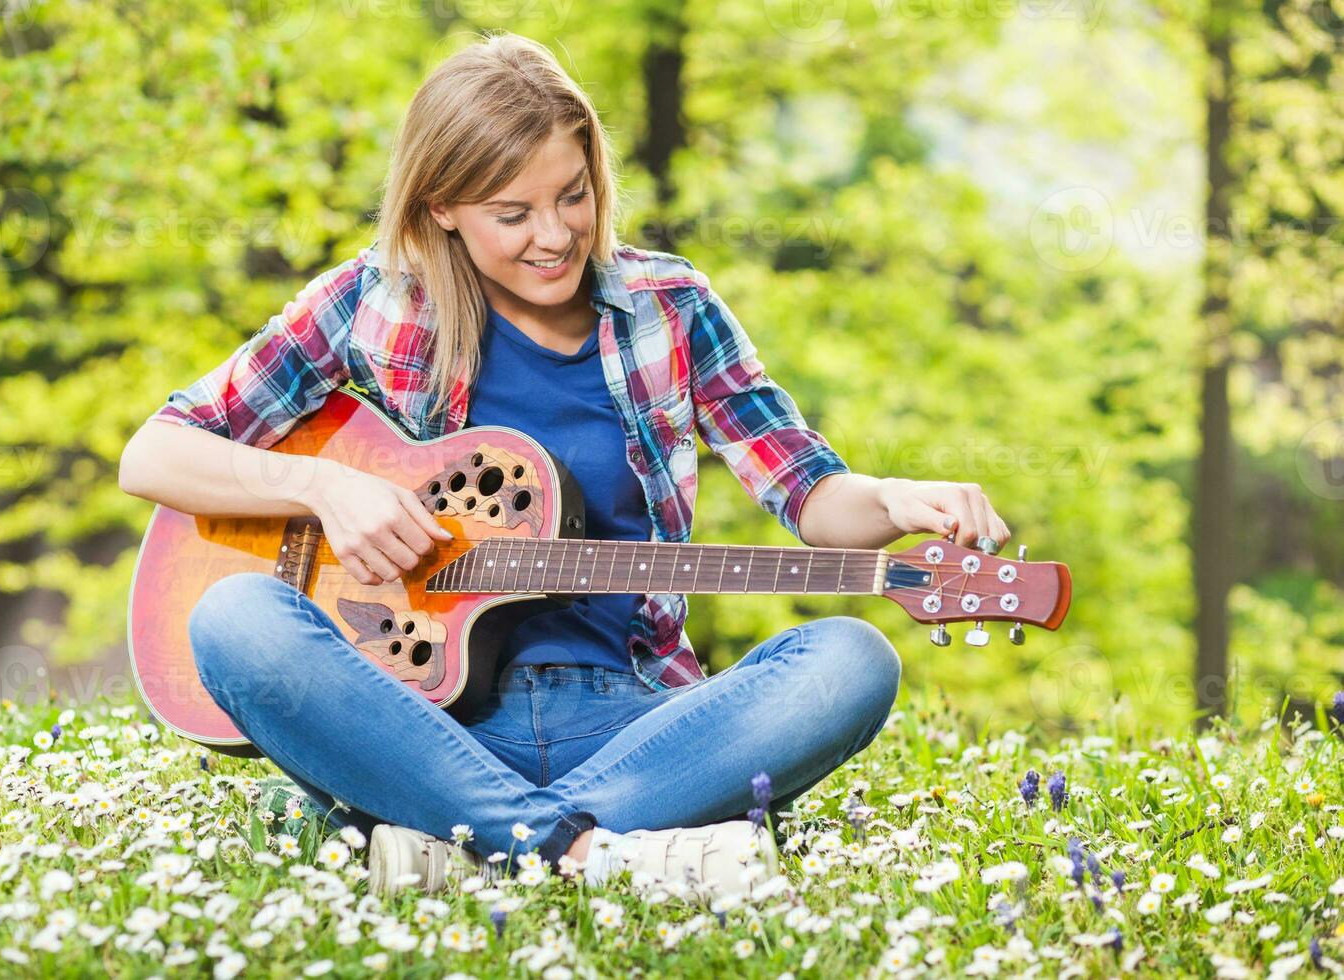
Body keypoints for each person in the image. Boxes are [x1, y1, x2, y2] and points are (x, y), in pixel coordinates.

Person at [117, 31, 1010, 899]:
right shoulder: (373, 301)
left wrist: (892, 498)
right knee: (235, 618)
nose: (555, 236)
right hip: (421, 718)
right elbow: (155, 452)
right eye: (513, 214)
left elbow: (811, 495)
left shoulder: (670, 305)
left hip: (640, 723)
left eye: (574, 197)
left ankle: (461, 836)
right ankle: (591, 850)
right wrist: (323, 485)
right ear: (442, 209)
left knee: (850, 660)